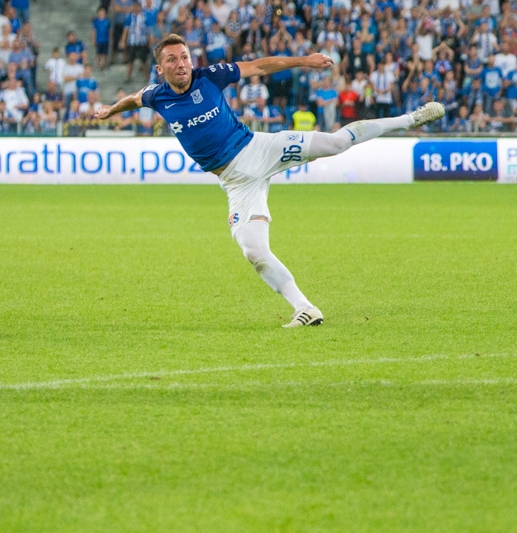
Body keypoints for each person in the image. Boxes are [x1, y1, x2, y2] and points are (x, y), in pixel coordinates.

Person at [93, 35, 445, 326]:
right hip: (235, 183)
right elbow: (134, 99)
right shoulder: (158, 95)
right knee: (254, 252)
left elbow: (261, 65)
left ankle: (408, 118)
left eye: (184, 56)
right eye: (172, 60)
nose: (181, 63)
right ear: (161, 68)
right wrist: (110, 109)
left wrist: (304, 60)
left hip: (259, 149)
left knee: (336, 143)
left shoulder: (209, 76)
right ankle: (306, 308)